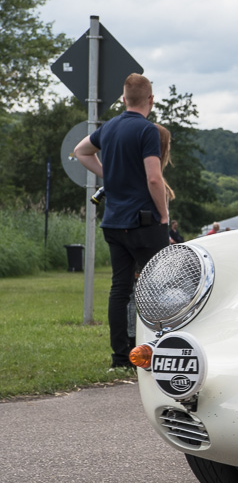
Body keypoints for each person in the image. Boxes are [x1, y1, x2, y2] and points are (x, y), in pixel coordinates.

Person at [73, 73, 170, 370]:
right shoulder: (147, 131)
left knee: (120, 287)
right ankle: (158, 349)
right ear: (150, 100)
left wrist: (109, 176)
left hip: (113, 221)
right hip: (142, 222)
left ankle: (120, 356)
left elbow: (81, 152)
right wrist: (164, 215)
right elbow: (154, 178)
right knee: (157, 287)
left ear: (124, 99)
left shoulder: (109, 128)